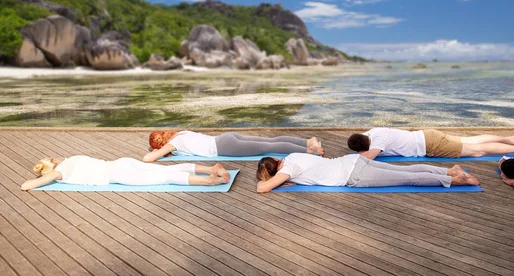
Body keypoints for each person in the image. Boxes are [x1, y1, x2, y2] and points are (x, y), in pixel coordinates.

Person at [255, 153, 479, 193]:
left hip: (354, 175)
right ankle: (449, 169)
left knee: (408, 178)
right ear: (276, 159)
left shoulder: (288, 170)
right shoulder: (292, 156)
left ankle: (455, 180)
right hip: (353, 160)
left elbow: (263, 188)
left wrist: (268, 179)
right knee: (405, 170)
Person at [20, 155, 230, 191]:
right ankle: (210, 169)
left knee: (164, 177)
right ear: (54, 161)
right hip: (121, 163)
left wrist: (39, 177)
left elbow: (27, 185)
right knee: (166, 170)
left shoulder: (60, 173)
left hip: (120, 175)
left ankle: (208, 182)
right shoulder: (71, 159)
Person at [347, 128, 514, 160]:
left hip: (431, 146)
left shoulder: (377, 143)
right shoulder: (374, 132)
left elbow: (368, 158)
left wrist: (360, 154)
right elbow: (360, 138)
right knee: (470, 140)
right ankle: (511, 139)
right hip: (428, 134)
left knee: (477, 151)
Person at [143, 130, 324, 162]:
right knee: (270, 141)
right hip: (225, 137)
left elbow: (148, 158)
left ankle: (310, 150)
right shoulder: (180, 134)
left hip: (225, 147)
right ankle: (308, 141)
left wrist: (157, 151)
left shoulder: (173, 144)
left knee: (269, 148)